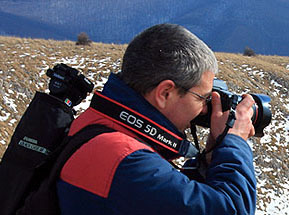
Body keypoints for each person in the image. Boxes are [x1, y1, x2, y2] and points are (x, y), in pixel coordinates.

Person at [56, 23, 256, 214]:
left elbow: (166, 201)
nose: (205, 110)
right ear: (165, 93)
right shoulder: (124, 159)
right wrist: (234, 140)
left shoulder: (100, 125)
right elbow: (230, 210)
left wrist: (212, 158)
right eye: (202, 98)